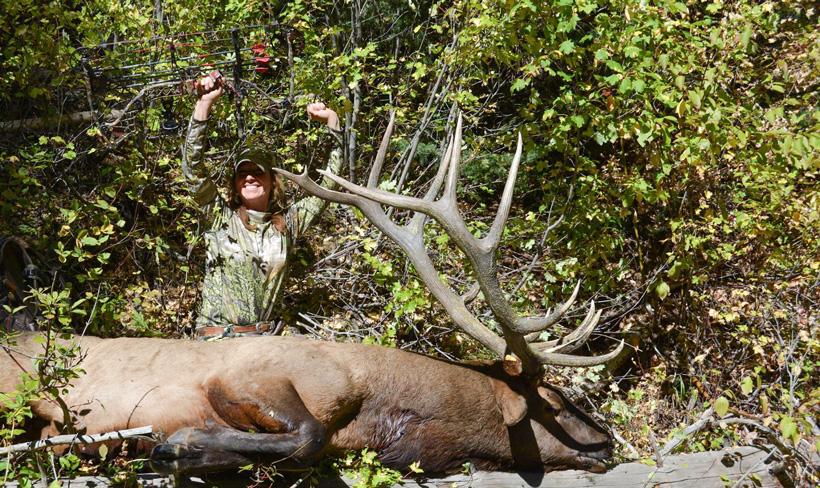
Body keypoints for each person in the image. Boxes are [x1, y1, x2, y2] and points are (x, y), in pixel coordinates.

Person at [182, 73, 342, 339]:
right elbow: (193, 170)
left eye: (257, 172)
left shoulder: (289, 224)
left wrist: (333, 122)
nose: (249, 178)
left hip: (266, 342)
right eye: (242, 174)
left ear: (272, 181)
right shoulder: (221, 217)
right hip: (216, 340)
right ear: (235, 184)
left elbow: (328, 188)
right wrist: (204, 105)